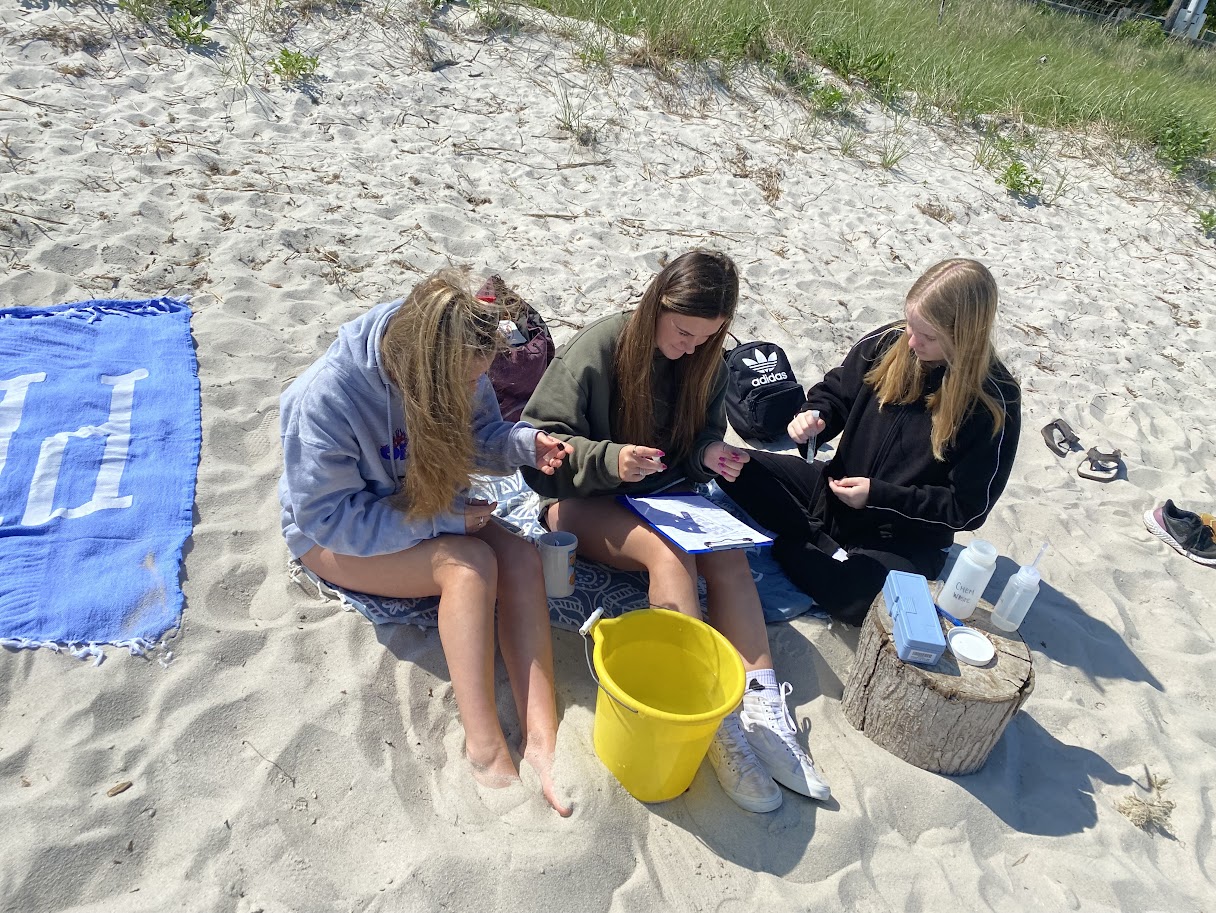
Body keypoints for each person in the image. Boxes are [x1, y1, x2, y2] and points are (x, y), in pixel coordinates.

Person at [521, 250, 830, 813]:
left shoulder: (705, 359)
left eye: (706, 338)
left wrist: (710, 452)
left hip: (660, 497)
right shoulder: (600, 348)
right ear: (657, 304)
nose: (691, 347)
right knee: (670, 557)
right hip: (582, 502)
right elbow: (537, 449)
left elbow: (694, 441)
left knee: (730, 554)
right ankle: (707, 718)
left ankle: (761, 707)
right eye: (684, 332)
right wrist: (611, 460)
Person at [278, 269, 573, 815]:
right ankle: (485, 746)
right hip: (337, 536)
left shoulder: (457, 352)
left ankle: (540, 732)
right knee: (469, 567)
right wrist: (441, 523)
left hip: (427, 504)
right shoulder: (327, 397)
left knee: (524, 558)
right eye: (462, 383)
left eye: (477, 380)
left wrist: (529, 447)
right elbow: (328, 517)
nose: (472, 389)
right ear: (419, 371)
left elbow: (482, 438)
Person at [721, 258, 1022, 625]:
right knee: (731, 465)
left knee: (860, 604)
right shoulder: (889, 342)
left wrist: (878, 495)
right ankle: (813, 539)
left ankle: (793, 543)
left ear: (965, 336)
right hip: (832, 492)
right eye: (911, 326)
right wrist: (816, 416)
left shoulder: (994, 401)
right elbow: (835, 391)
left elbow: (969, 509)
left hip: (901, 536)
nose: (912, 342)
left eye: (928, 337)